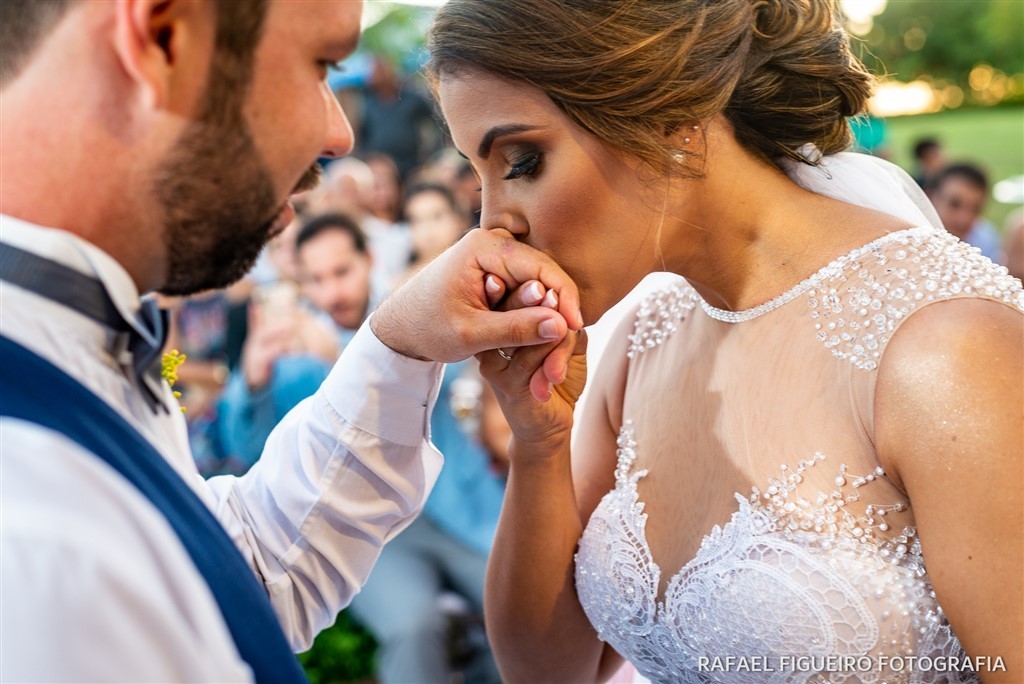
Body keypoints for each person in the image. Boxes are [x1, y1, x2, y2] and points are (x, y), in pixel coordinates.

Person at [426, 1, 1024, 683]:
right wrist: (538, 444)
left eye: (523, 161)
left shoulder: (942, 348)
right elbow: (550, 671)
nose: (493, 225)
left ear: (672, 116)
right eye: (478, 177)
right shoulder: (641, 342)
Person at [0, 1, 583, 682]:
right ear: (163, 38)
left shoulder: (62, 350)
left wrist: (399, 344)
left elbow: (232, 576)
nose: (339, 135)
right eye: (321, 66)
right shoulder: (29, 538)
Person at [348, 182, 507, 684]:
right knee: (420, 624)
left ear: (458, 220)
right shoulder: (392, 302)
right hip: (410, 505)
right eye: (415, 219)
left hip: (474, 490)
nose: (426, 228)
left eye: (436, 215)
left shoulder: (496, 289)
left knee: (514, 614)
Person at [218, 213, 375, 469]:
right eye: (316, 279)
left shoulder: (410, 315)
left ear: (369, 259)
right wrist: (253, 382)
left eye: (342, 272)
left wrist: (338, 358)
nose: (333, 294)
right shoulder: (291, 350)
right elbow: (245, 449)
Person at [928, 163, 1002, 261]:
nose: (964, 218)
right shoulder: (911, 239)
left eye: (976, 209)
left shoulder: (987, 240)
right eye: (954, 204)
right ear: (932, 198)